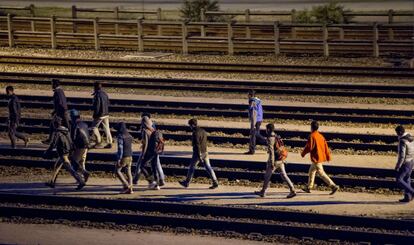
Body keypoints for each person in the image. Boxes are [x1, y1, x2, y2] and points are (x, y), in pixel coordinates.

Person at [254, 123, 296, 198]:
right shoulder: (276, 136)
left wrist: (272, 163)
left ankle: (263, 192)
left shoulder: (270, 138)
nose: (265, 131)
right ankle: (292, 190)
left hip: (275, 160)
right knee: (284, 175)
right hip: (281, 159)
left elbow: (271, 152)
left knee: (267, 176)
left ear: (268, 129)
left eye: (266, 129)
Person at [44, 117, 85, 190]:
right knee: (56, 166)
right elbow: (70, 141)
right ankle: (52, 182)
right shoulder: (66, 130)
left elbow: (53, 144)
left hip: (62, 153)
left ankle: (81, 181)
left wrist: (47, 151)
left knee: (70, 169)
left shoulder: (57, 132)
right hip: (67, 151)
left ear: (55, 124)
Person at [301, 120, 339, 195]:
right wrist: (328, 156)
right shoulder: (321, 136)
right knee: (311, 171)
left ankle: (333, 186)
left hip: (316, 158)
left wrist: (303, 153)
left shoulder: (312, 136)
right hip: (319, 157)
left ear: (311, 127)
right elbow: (326, 147)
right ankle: (309, 187)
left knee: (321, 173)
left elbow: (309, 147)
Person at [179, 118, 219, 189]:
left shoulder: (195, 133)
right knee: (208, 167)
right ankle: (215, 181)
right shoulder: (203, 131)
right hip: (205, 151)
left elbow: (197, 145)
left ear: (192, 125)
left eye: (190, 125)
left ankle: (187, 183)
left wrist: (199, 155)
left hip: (198, 153)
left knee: (192, 167)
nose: (190, 127)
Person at [132, 116, 159, 189]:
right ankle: (157, 184)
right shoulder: (152, 129)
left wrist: (143, 154)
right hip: (155, 151)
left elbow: (146, 143)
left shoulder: (145, 130)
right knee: (154, 167)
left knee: (142, 166)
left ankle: (151, 181)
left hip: (149, 151)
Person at [42, 79, 70, 144]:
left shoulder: (58, 92)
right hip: (61, 112)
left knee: (64, 127)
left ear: (55, 84)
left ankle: (52, 141)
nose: (51, 85)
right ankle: (51, 140)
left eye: (52, 84)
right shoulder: (60, 91)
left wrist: (57, 113)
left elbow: (61, 103)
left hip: (61, 112)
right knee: (55, 125)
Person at [69, 109, 91, 183]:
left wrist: (71, 146)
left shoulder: (75, 125)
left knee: (74, 162)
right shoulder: (85, 124)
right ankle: (82, 176)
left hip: (80, 146)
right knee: (82, 161)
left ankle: (81, 177)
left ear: (72, 117)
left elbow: (73, 137)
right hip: (87, 145)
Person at [394, 125, 414, 203]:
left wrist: (398, 165)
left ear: (399, 132)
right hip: (411, 161)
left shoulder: (402, 141)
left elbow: (402, 156)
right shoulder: (411, 137)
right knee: (407, 178)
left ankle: (412, 192)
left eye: (396, 133)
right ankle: (408, 197)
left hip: (406, 163)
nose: (396, 135)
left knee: (399, 179)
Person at [91, 81, 112, 149]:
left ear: (95, 87)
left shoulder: (97, 95)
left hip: (100, 114)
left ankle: (98, 141)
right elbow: (108, 103)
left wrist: (95, 114)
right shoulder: (105, 94)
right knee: (107, 128)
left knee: (94, 127)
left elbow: (97, 106)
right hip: (106, 113)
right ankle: (109, 142)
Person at [115, 122, 134, 194]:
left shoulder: (121, 136)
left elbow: (120, 148)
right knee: (128, 172)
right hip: (130, 156)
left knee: (117, 171)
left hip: (124, 157)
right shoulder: (129, 135)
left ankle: (126, 185)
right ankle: (131, 189)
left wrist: (119, 159)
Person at [245, 90, 265, 155]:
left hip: (255, 120)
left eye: (248, 95)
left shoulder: (252, 101)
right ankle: (252, 149)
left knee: (254, 135)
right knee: (256, 135)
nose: (247, 96)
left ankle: (252, 150)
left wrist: (253, 124)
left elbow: (254, 113)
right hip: (259, 119)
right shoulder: (258, 100)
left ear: (251, 95)